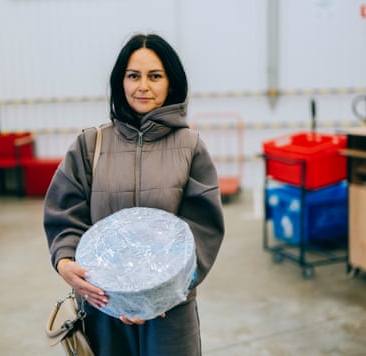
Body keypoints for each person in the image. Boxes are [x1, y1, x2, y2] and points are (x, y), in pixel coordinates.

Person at [43, 33, 225, 356]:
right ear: (120, 82)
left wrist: (159, 295)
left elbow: (203, 227)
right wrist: (65, 261)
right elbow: (65, 212)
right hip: (102, 305)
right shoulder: (90, 144)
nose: (143, 86)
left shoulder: (190, 147)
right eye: (133, 76)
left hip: (169, 310)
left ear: (171, 82)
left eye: (155, 76)